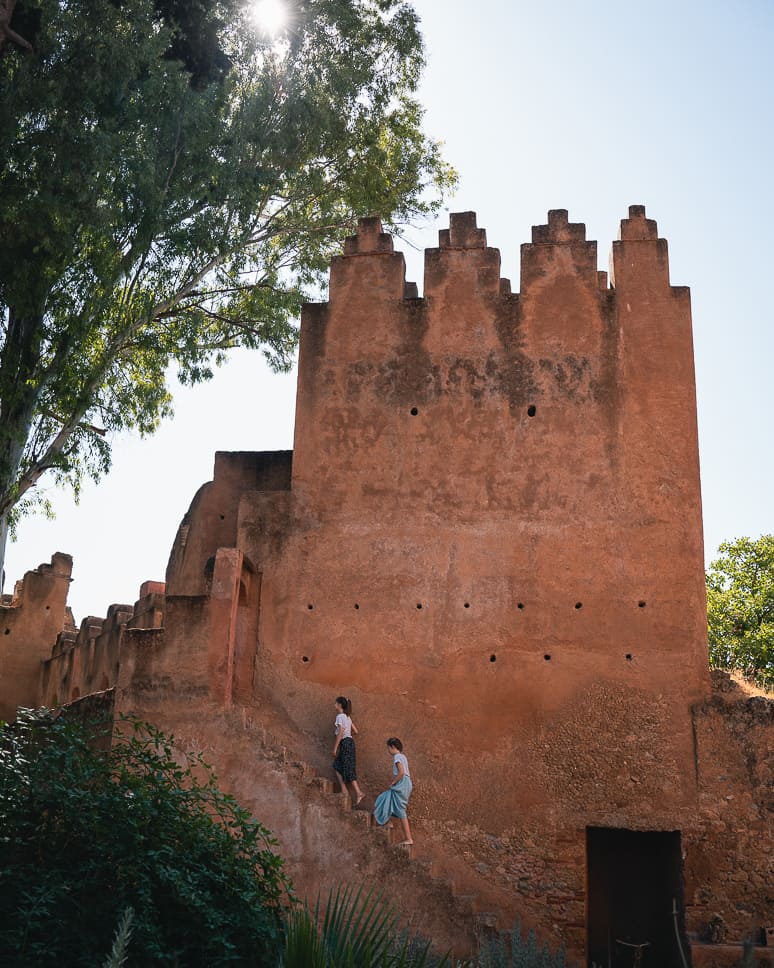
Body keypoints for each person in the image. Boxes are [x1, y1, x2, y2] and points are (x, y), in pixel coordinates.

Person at [373, 737, 413, 845]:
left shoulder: (397, 757)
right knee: (386, 799)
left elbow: (401, 772)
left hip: (402, 783)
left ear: (393, 747)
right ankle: (388, 822)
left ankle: (408, 838)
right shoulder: (403, 756)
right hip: (406, 783)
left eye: (388, 748)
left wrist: (393, 782)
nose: (388, 750)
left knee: (398, 809)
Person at [332, 696, 365, 806]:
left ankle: (358, 792)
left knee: (346, 768)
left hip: (345, 743)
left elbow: (341, 732)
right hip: (350, 743)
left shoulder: (340, 716)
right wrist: (348, 735)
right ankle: (344, 790)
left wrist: (335, 748)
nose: (334, 705)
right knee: (338, 765)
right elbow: (355, 731)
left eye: (335, 703)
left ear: (340, 705)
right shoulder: (347, 717)